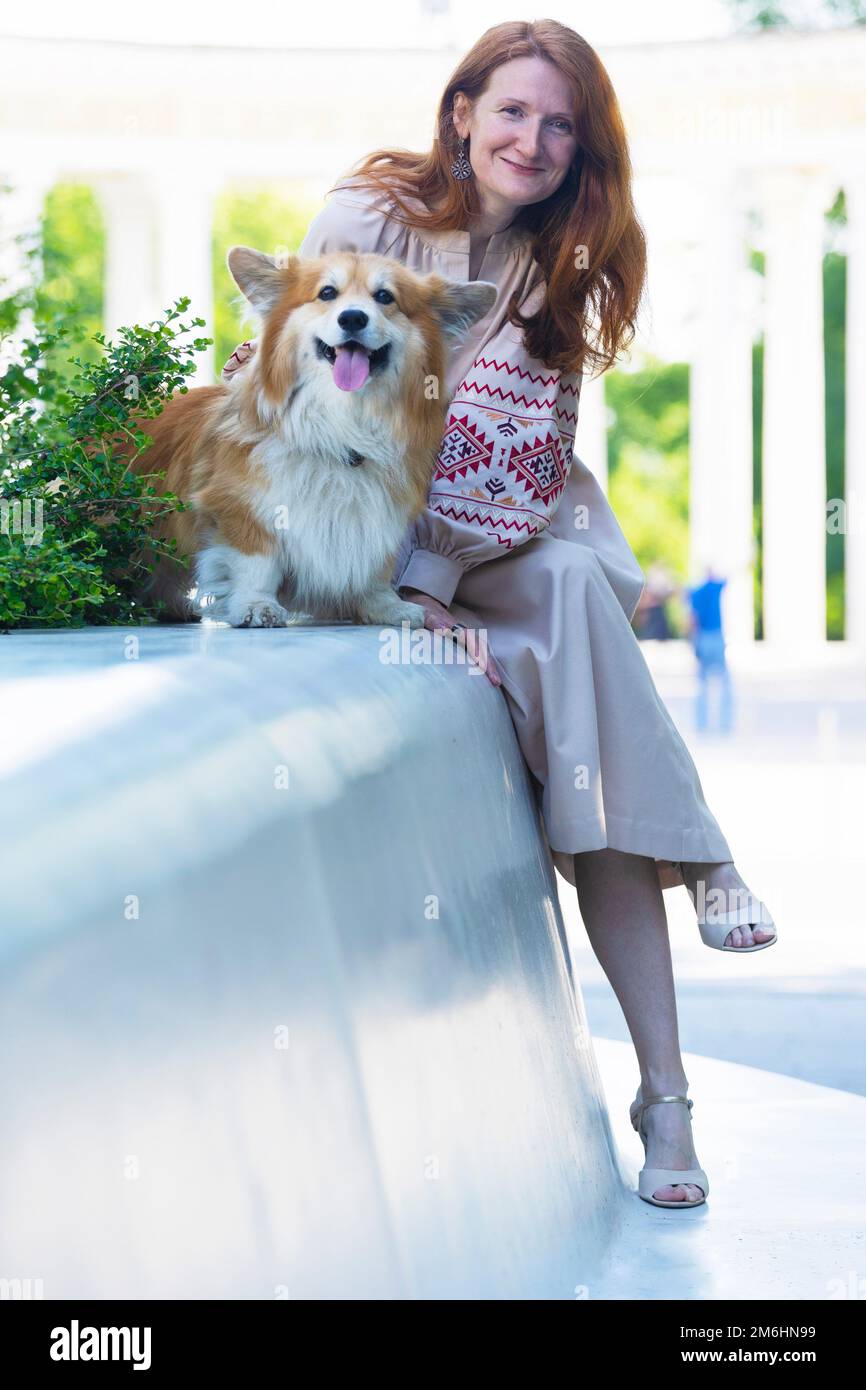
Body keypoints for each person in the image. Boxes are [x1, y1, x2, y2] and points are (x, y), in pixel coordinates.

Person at [221, 19, 776, 1208]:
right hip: (354, 526)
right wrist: (398, 579)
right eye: (513, 110)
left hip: (506, 531)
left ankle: (665, 1086)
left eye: (561, 124)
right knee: (590, 688)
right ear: (460, 111)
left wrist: (440, 577)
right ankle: (684, 997)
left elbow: (524, 462)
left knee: (574, 588)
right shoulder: (363, 217)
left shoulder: (559, 259)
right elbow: (286, 390)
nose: (533, 139)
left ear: (583, 149)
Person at [687, 565, 734, 734]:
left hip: (702, 637)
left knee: (702, 684)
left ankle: (701, 724)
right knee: (725, 682)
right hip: (715, 636)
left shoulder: (695, 592)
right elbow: (730, 574)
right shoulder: (714, 587)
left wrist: (693, 641)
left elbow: (691, 619)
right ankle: (726, 723)